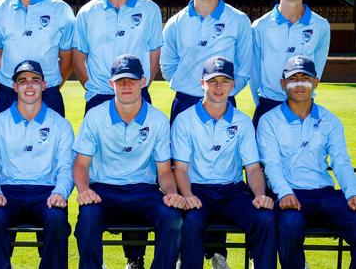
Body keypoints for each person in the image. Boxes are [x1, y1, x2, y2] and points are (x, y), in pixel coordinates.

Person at [73, 54, 184, 269]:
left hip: (143, 190)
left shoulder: (157, 120)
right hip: (104, 190)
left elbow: (163, 171)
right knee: (87, 217)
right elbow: (81, 165)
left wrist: (171, 192)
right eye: (120, 80)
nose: (126, 86)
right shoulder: (95, 117)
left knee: (172, 217)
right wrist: (84, 189)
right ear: (111, 83)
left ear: (143, 81)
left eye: (131, 80)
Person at [172, 56, 276, 269]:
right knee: (191, 222)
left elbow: (253, 168)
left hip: (232, 192)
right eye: (212, 81)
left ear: (233, 84)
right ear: (202, 83)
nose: (218, 87)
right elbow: (180, 169)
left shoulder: (242, 122)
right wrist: (188, 195)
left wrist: (259, 195)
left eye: (224, 81)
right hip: (198, 191)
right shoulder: (184, 120)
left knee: (264, 219)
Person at [257, 55, 356, 269]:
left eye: (305, 78)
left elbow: (341, 161)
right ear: (283, 84)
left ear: (315, 82)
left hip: (326, 193)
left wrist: (352, 193)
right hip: (290, 193)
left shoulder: (330, 120)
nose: (299, 84)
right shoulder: (269, 121)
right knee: (290, 227)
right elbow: (271, 165)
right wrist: (284, 192)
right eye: (293, 78)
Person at [0, 60, 74, 268]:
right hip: (8, 192)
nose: (29, 86)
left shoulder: (60, 124)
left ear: (44, 85)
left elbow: (66, 168)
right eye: (23, 81)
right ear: (14, 87)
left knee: (57, 219)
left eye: (35, 80)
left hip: (47, 192)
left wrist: (60, 192)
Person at [73, 0, 163, 115]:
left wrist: (139, 87)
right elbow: (78, 60)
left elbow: (154, 56)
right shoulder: (87, 12)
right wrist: (94, 89)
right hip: (99, 96)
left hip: (138, 96)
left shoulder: (150, 9)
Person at [161, 0, 252, 125]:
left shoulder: (238, 20)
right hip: (185, 102)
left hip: (223, 102)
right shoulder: (175, 23)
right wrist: (189, 86)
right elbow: (167, 67)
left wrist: (222, 94)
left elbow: (244, 69)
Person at [251, 0, 330, 127]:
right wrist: (260, 104)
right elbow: (254, 71)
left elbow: (317, 68)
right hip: (268, 106)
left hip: (303, 107)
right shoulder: (259, 26)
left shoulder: (321, 26)